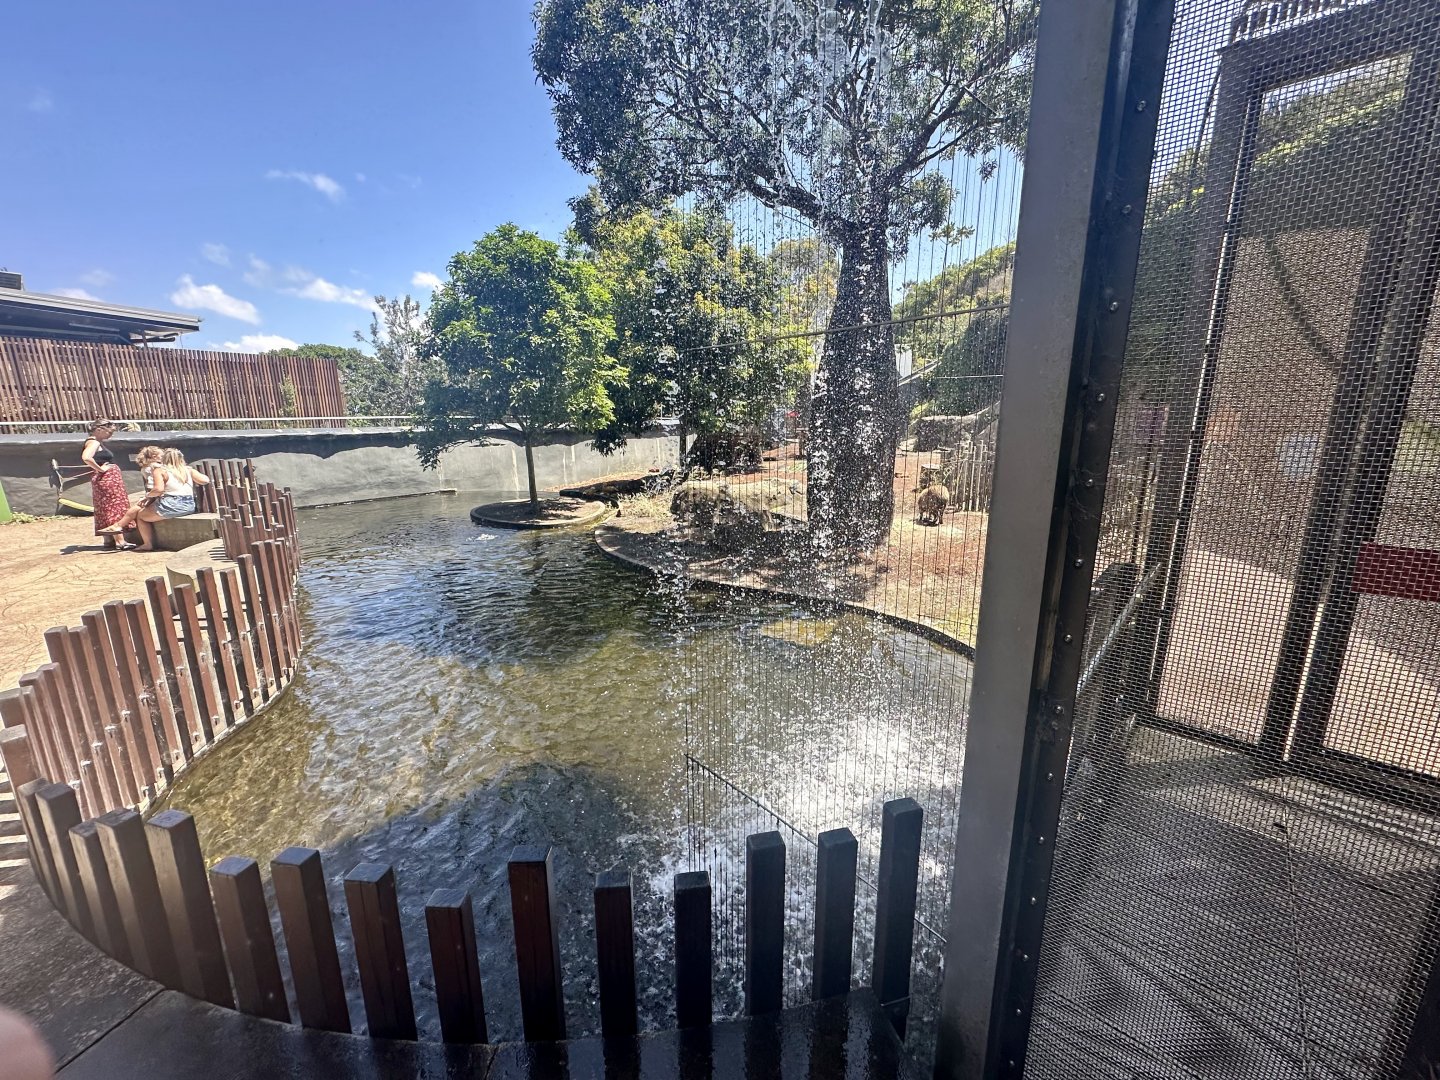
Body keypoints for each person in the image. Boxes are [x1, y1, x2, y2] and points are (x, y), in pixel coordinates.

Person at [100, 447, 210, 551]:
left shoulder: (161, 470)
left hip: (171, 504)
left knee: (141, 516)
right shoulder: (187, 470)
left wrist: (147, 496)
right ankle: (117, 526)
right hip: (189, 505)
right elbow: (205, 480)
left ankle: (147, 543)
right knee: (141, 508)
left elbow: (158, 489)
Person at [80, 420, 129, 548]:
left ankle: (109, 540)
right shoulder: (94, 442)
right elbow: (86, 457)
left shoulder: (94, 442)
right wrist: (101, 469)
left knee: (105, 507)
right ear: (99, 430)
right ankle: (120, 541)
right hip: (107, 479)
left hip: (103, 479)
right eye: (109, 432)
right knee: (114, 507)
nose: (110, 435)